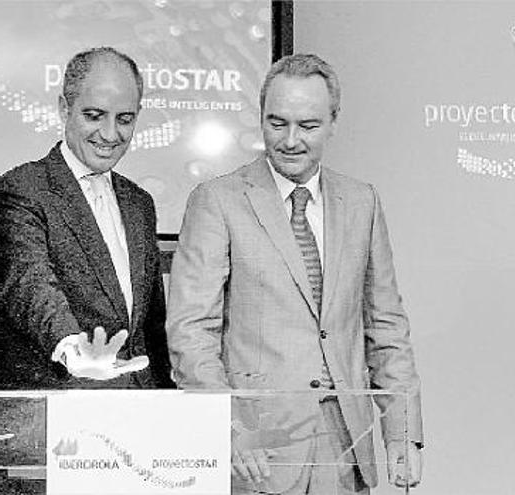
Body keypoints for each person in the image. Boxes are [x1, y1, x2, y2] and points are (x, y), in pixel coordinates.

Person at [166, 53, 424, 494]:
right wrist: (228, 427)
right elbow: (191, 332)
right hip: (257, 450)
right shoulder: (218, 200)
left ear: (333, 122)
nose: (290, 140)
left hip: (347, 443)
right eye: (277, 123)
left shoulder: (362, 202)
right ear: (261, 118)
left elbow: (386, 325)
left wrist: (402, 431)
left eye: (308, 126)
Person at [0, 47, 174, 492]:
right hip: (50, 440)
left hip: (134, 439)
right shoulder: (19, 191)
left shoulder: (139, 202)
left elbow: (149, 326)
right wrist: (72, 345)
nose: (110, 133)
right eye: (94, 115)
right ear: (64, 107)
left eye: (125, 119)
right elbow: (27, 284)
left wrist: (172, 412)